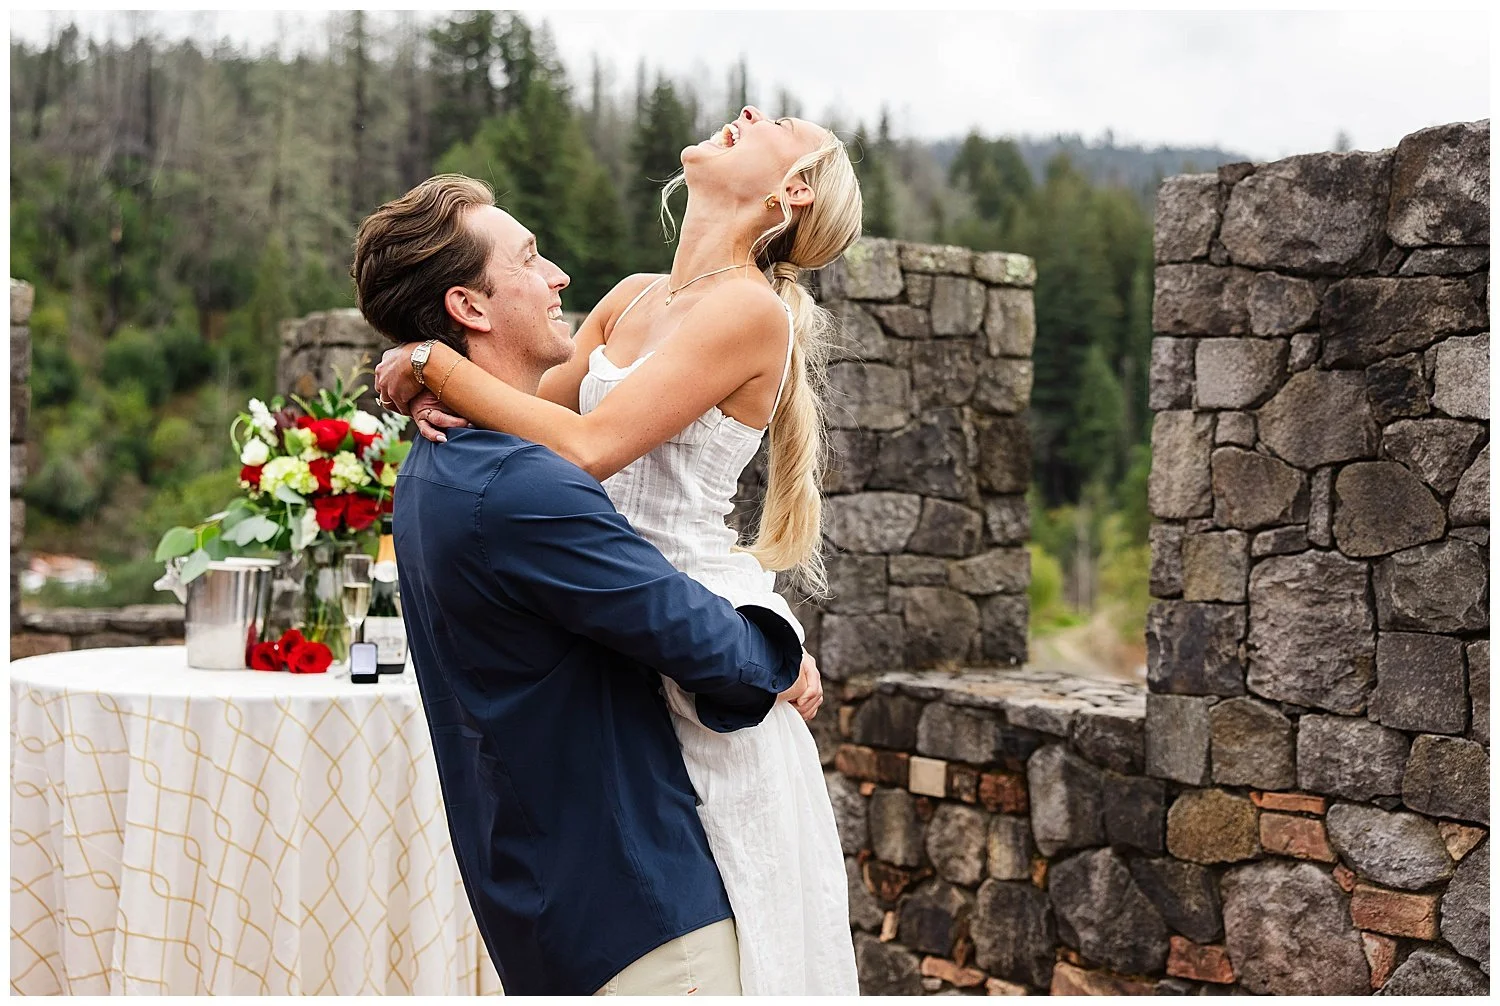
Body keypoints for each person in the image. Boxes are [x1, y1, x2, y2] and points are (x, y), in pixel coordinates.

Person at [375, 105, 863, 995]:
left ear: (791, 192)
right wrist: (438, 372)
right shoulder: (632, 297)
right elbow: (524, 412)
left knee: (731, 909)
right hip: (598, 596)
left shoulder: (751, 314)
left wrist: (435, 367)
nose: (749, 110)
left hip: (680, 613)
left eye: (779, 121)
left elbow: (591, 448)